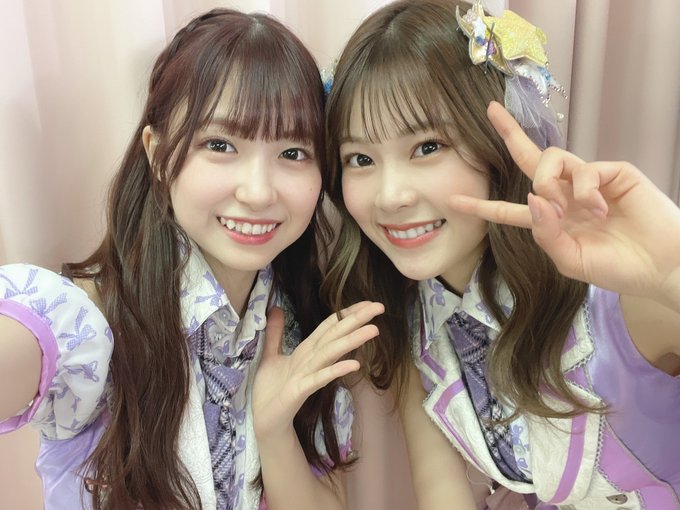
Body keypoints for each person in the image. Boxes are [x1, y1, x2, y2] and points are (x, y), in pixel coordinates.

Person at [0, 8, 384, 510]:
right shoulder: (89, 322)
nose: (258, 191)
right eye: (220, 144)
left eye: (293, 153)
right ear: (158, 155)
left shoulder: (300, 332)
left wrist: (274, 430)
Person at [322, 0, 680, 508]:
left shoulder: (617, 300)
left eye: (427, 147)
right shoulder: (417, 319)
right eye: (360, 158)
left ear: (496, 145)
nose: (390, 196)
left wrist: (670, 268)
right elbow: (443, 494)